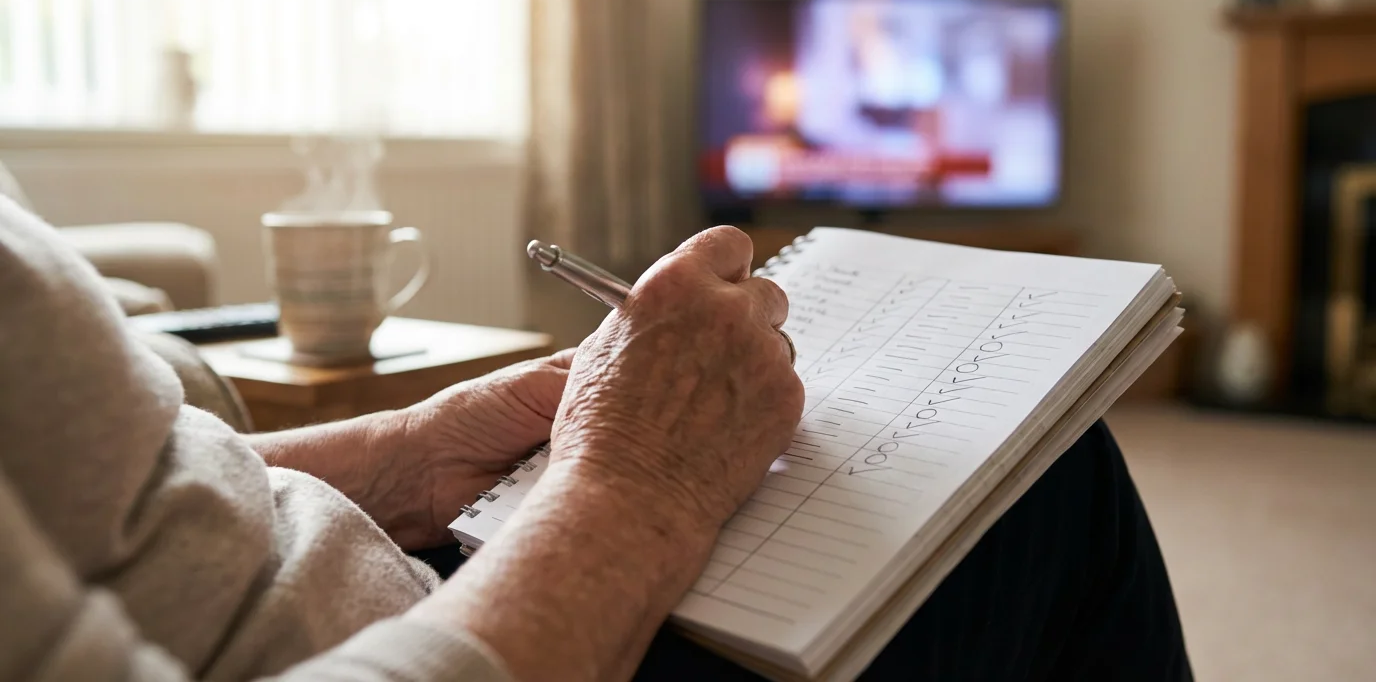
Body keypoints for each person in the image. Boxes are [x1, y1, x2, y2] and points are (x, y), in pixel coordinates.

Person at [0, 195, 1191, 681]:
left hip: (407, 588)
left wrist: (404, 456)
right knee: (1044, 490)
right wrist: (638, 479)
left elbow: (110, 483)